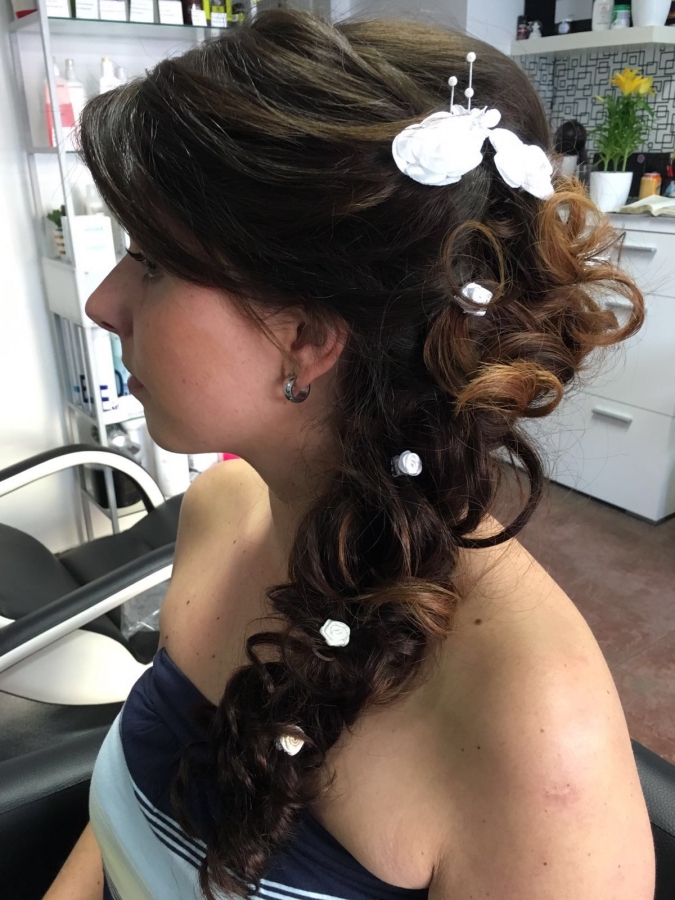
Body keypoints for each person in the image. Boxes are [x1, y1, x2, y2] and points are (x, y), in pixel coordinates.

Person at [45, 9, 656, 900]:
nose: (103, 303)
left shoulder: (531, 730)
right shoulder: (223, 510)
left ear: (305, 339)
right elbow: (125, 823)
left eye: (152, 262)